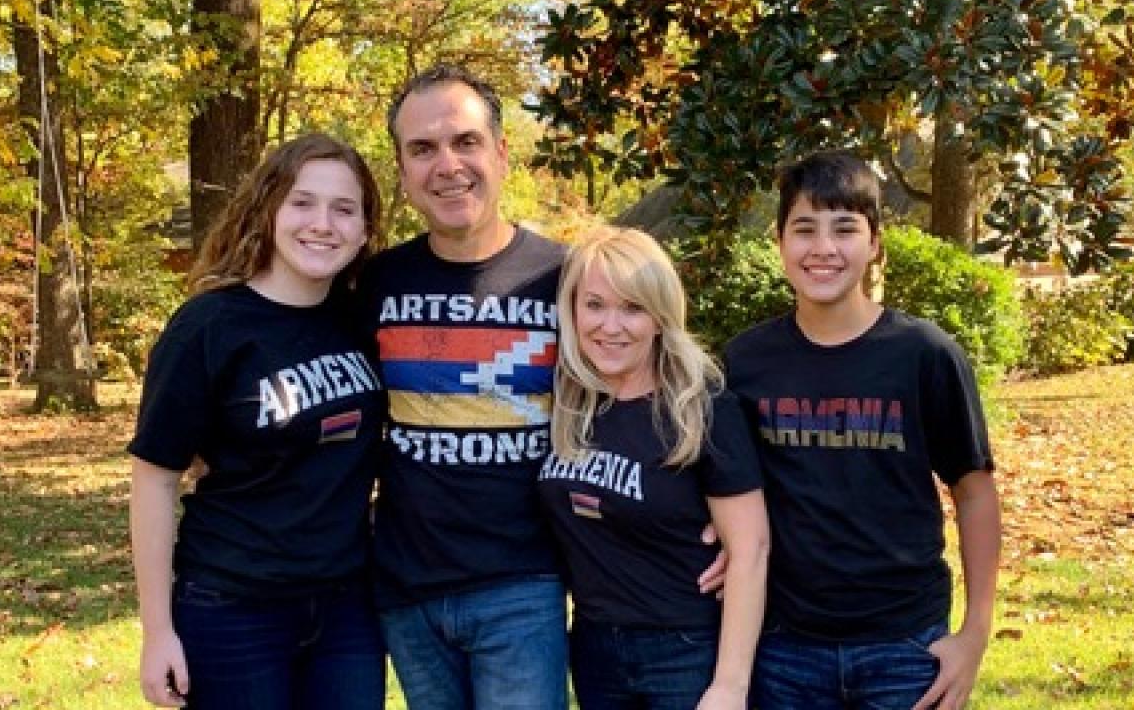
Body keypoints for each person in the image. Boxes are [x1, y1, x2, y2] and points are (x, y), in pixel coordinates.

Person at [722, 151, 1001, 710]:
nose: (823, 248)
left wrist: (974, 634)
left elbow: (974, 493)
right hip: (783, 647)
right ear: (779, 241)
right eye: (804, 229)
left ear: (874, 242)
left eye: (845, 229)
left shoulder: (925, 354)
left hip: (905, 645)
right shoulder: (745, 361)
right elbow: (729, 491)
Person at [129, 133, 387, 709]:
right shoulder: (208, 326)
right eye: (302, 202)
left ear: (365, 229)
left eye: (344, 209)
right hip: (232, 606)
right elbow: (154, 478)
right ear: (267, 209)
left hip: (346, 606)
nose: (323, 223)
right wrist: (157, 631)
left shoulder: (362, 320)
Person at [355, 64, 570, 709]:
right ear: (401, 169)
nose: (447, 164)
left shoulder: (566, 278)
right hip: (406, 587)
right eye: (423, 148)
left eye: (466, 141)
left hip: (523, 584)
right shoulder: (374, 284)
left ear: (502, 154)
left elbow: (640, 402)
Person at [540, 226, 769, 709]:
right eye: (595, 305)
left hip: (684, 650)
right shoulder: (568, 405)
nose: (610, 325)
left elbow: (750, 549)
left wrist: (730, 685)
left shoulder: (701, 410)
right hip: (595, 647)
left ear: (661, 318)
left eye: (633, 307)